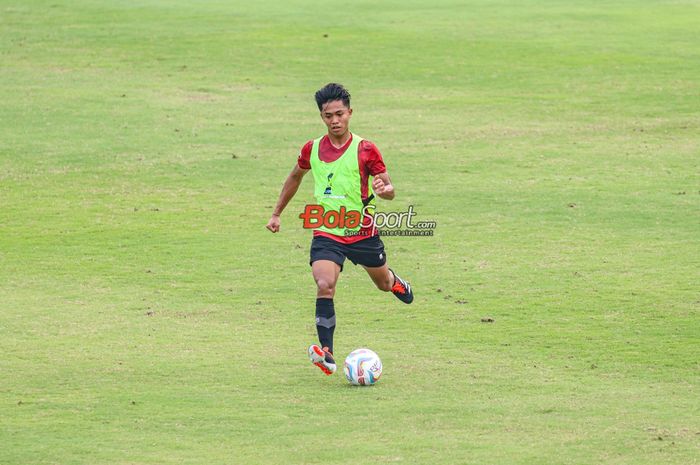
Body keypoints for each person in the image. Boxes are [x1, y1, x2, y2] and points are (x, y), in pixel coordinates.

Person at [266, 83, 413, 376]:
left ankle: (395, 281)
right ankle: (328, 354)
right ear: (321, 117)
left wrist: (385, 191)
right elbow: (295, 176)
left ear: (350, 113)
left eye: (339, 114)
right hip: (326, 229)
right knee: (324, 284)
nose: (334, 120)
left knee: (382, 284)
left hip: (362, 233)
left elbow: (389, 188)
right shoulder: (312, 148)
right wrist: (276, 213)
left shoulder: (365, 149)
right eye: (327, 115)